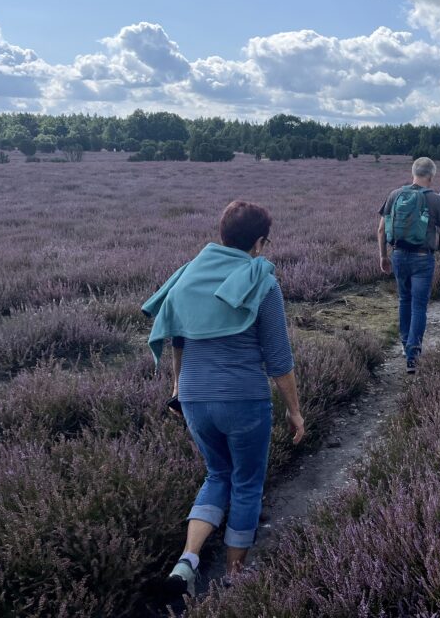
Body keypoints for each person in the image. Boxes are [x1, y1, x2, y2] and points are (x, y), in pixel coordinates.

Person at [142, 201, 306, 598]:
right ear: (260, 242)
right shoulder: (262, 280)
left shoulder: (187, 276)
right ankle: (234, 578)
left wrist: (178, 390)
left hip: (195, 398)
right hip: (244, 399)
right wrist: (295, 411)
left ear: (222, 234)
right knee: (247, 482)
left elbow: (179, 341)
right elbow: (279, 360)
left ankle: (186, 562)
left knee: (217, 475)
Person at [377, 157, 440, 373]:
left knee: (404, 300)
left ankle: (404, 344)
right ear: (431, 176)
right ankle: (413, 354)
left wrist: (383, 256)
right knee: (419, 305)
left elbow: (381, 230)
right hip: (422, 258)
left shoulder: (395, 194)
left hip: (399, 255)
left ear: (413, 172)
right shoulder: (436, 199)